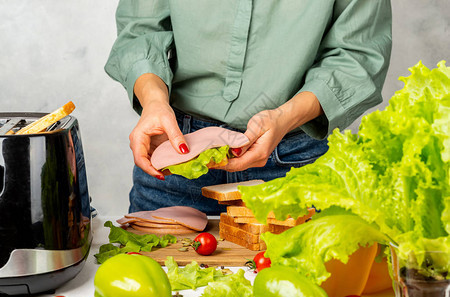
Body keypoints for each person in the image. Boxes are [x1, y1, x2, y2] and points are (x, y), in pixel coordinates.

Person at [105, 0, 392, 214]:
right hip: (176, 153)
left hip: (293, 160)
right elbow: (140, 30)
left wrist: (286, 117)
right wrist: (154, 102)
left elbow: (358, 53)